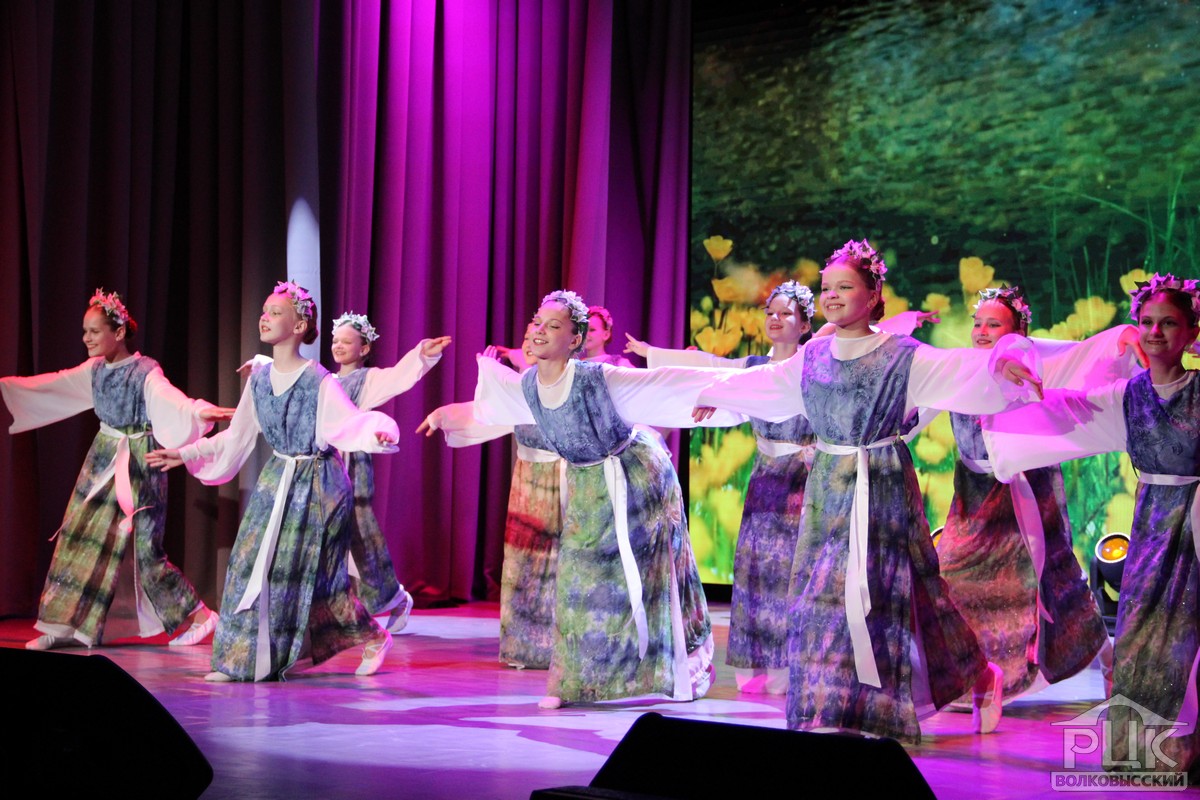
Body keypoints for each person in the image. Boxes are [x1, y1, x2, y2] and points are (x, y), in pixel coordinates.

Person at [688, 240, 1045, 741]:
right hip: (826, 493)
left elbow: (965, 369)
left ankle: (972, 677)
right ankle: (829, 706)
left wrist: (1003, 363)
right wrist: (716, 390)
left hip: (881, 487)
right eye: (827, 288)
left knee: (901, 597)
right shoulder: (814, 355)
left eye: (845, 286)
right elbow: (770, 383)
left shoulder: (902, 355)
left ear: (874, 294)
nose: (832, 296)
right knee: (819, 599)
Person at [447, 290, 738, 708]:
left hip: (637, 479)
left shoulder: (597, 377)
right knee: (575, 582)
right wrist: (448, 414)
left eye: (554, 326)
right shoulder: (528, 385)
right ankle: (569, 682)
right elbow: (492, 400)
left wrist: (713, 392)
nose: (540, 331)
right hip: (586, 484)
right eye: (537, 322)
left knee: (652, 577)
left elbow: (661, 384)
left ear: (575, 338)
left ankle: (680, 672)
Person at [982, 274, 1200, 773]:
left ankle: (1188, 743)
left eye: (1169, 323)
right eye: (1147, 322)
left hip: (1196, 521)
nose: (1156, 332)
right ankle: (1146, 747)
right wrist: (1011, 395)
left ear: (1192, 331)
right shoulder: (1131, 395)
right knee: (1143, 637)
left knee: (1189, 635)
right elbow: (1070, 409)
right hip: (1153, 526)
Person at [146, 282, 398, 681]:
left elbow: (349, 423)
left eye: (275, 312)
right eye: (264, 310)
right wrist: (186, 453)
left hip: (319, 485)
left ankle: (373, 636)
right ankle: (237, 660)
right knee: (246, 565)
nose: (265, 317)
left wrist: (377, 434)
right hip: (276, 479)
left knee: (315, 580)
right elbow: (237, 436)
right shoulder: (259, 380)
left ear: (299, 326)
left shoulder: (320, 381)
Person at [0, 289, 230, 651]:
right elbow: (56, 383)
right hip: (103, 458)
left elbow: (170, 399)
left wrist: (200, 411)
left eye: (94, 331)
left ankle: (200, 616)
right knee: (78, 537)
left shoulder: (144, 371)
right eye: (84, 331)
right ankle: (63, 623)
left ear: (118, 332)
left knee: (144, 550)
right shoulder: (94, 370)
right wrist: (8, 388)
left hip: (139, 461)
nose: (86, 338)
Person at [937, 286, 1132, 702]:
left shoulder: (1024, 361)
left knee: (1054, 582)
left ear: (1017, 332)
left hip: (1021, 488)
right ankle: (978, 677)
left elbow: (1072, 357)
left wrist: (1120, 339)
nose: (982, 331)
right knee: (951, 575)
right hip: (973, 490)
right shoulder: (961, 366)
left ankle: (1106, 656)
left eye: (994, 324)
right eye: (977, 323)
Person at [627, 281, 818, 694]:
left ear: (805, 324)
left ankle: (795, 665)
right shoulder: (753, 367)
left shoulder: (814, 366)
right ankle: (761, 664)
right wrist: (655, 354)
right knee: (757, 569)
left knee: (795, 570)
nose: (776, 319)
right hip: (766, 479)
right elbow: (709, 365)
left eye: (786, 313)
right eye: (771, 312)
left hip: (806, 478)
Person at [422, 326, 563, 669]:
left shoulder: (561, 383)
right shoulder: (521, 384)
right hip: (527, 482)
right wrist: (442, 415)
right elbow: (485, 413)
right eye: (526, 338)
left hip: (563, 481)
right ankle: (525, 647)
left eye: (538, 336)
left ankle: (561, 645)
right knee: (523, 565)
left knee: (557, 563)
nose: (529, 342)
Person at [329, 311, 451, 632]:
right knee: (325, 536)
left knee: (359, 537)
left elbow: (398, 376)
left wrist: (422, 356)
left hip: (351, 463)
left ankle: (394, 597)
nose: (338, 346)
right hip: (324, 464)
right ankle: (335, 609)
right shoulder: (325, 380)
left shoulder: (366, 380)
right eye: (335, 341)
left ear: (364, 348)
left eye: (346, 342)